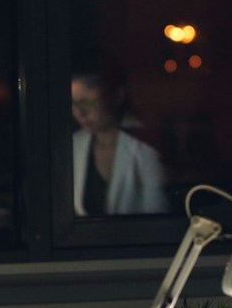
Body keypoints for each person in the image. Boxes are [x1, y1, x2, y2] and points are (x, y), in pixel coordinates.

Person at [71, 71, 167, 216]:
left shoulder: (145, 146)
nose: (79, 112)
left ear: (116, 96)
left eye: (86, 102)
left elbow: (157, 212)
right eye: (73, 103)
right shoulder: (75, 144)